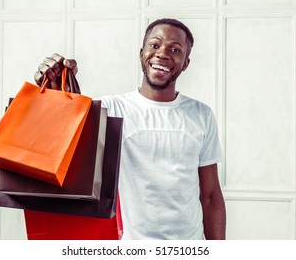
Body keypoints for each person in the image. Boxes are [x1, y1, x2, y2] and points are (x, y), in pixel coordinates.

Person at [35, 18, 226, 240]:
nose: (163, 53)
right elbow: (59, 138)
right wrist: (55, 88)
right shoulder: (111, 108)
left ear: (185, 63)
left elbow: (211, 196)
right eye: (155, 45)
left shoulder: (201, 115)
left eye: (175, 49)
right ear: (141, 53)